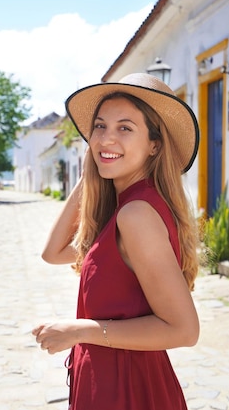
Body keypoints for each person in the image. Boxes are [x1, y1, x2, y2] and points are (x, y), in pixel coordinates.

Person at [32, 73, 201, 409]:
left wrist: (80, 331)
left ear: (154, 144)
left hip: (127, 392)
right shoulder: (124, 209)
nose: (106, 138)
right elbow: (53, 253)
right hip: (112, 383)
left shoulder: (136, 214)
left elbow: (184, 330)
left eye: (125, 128)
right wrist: (90, 175)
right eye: (100, 127)